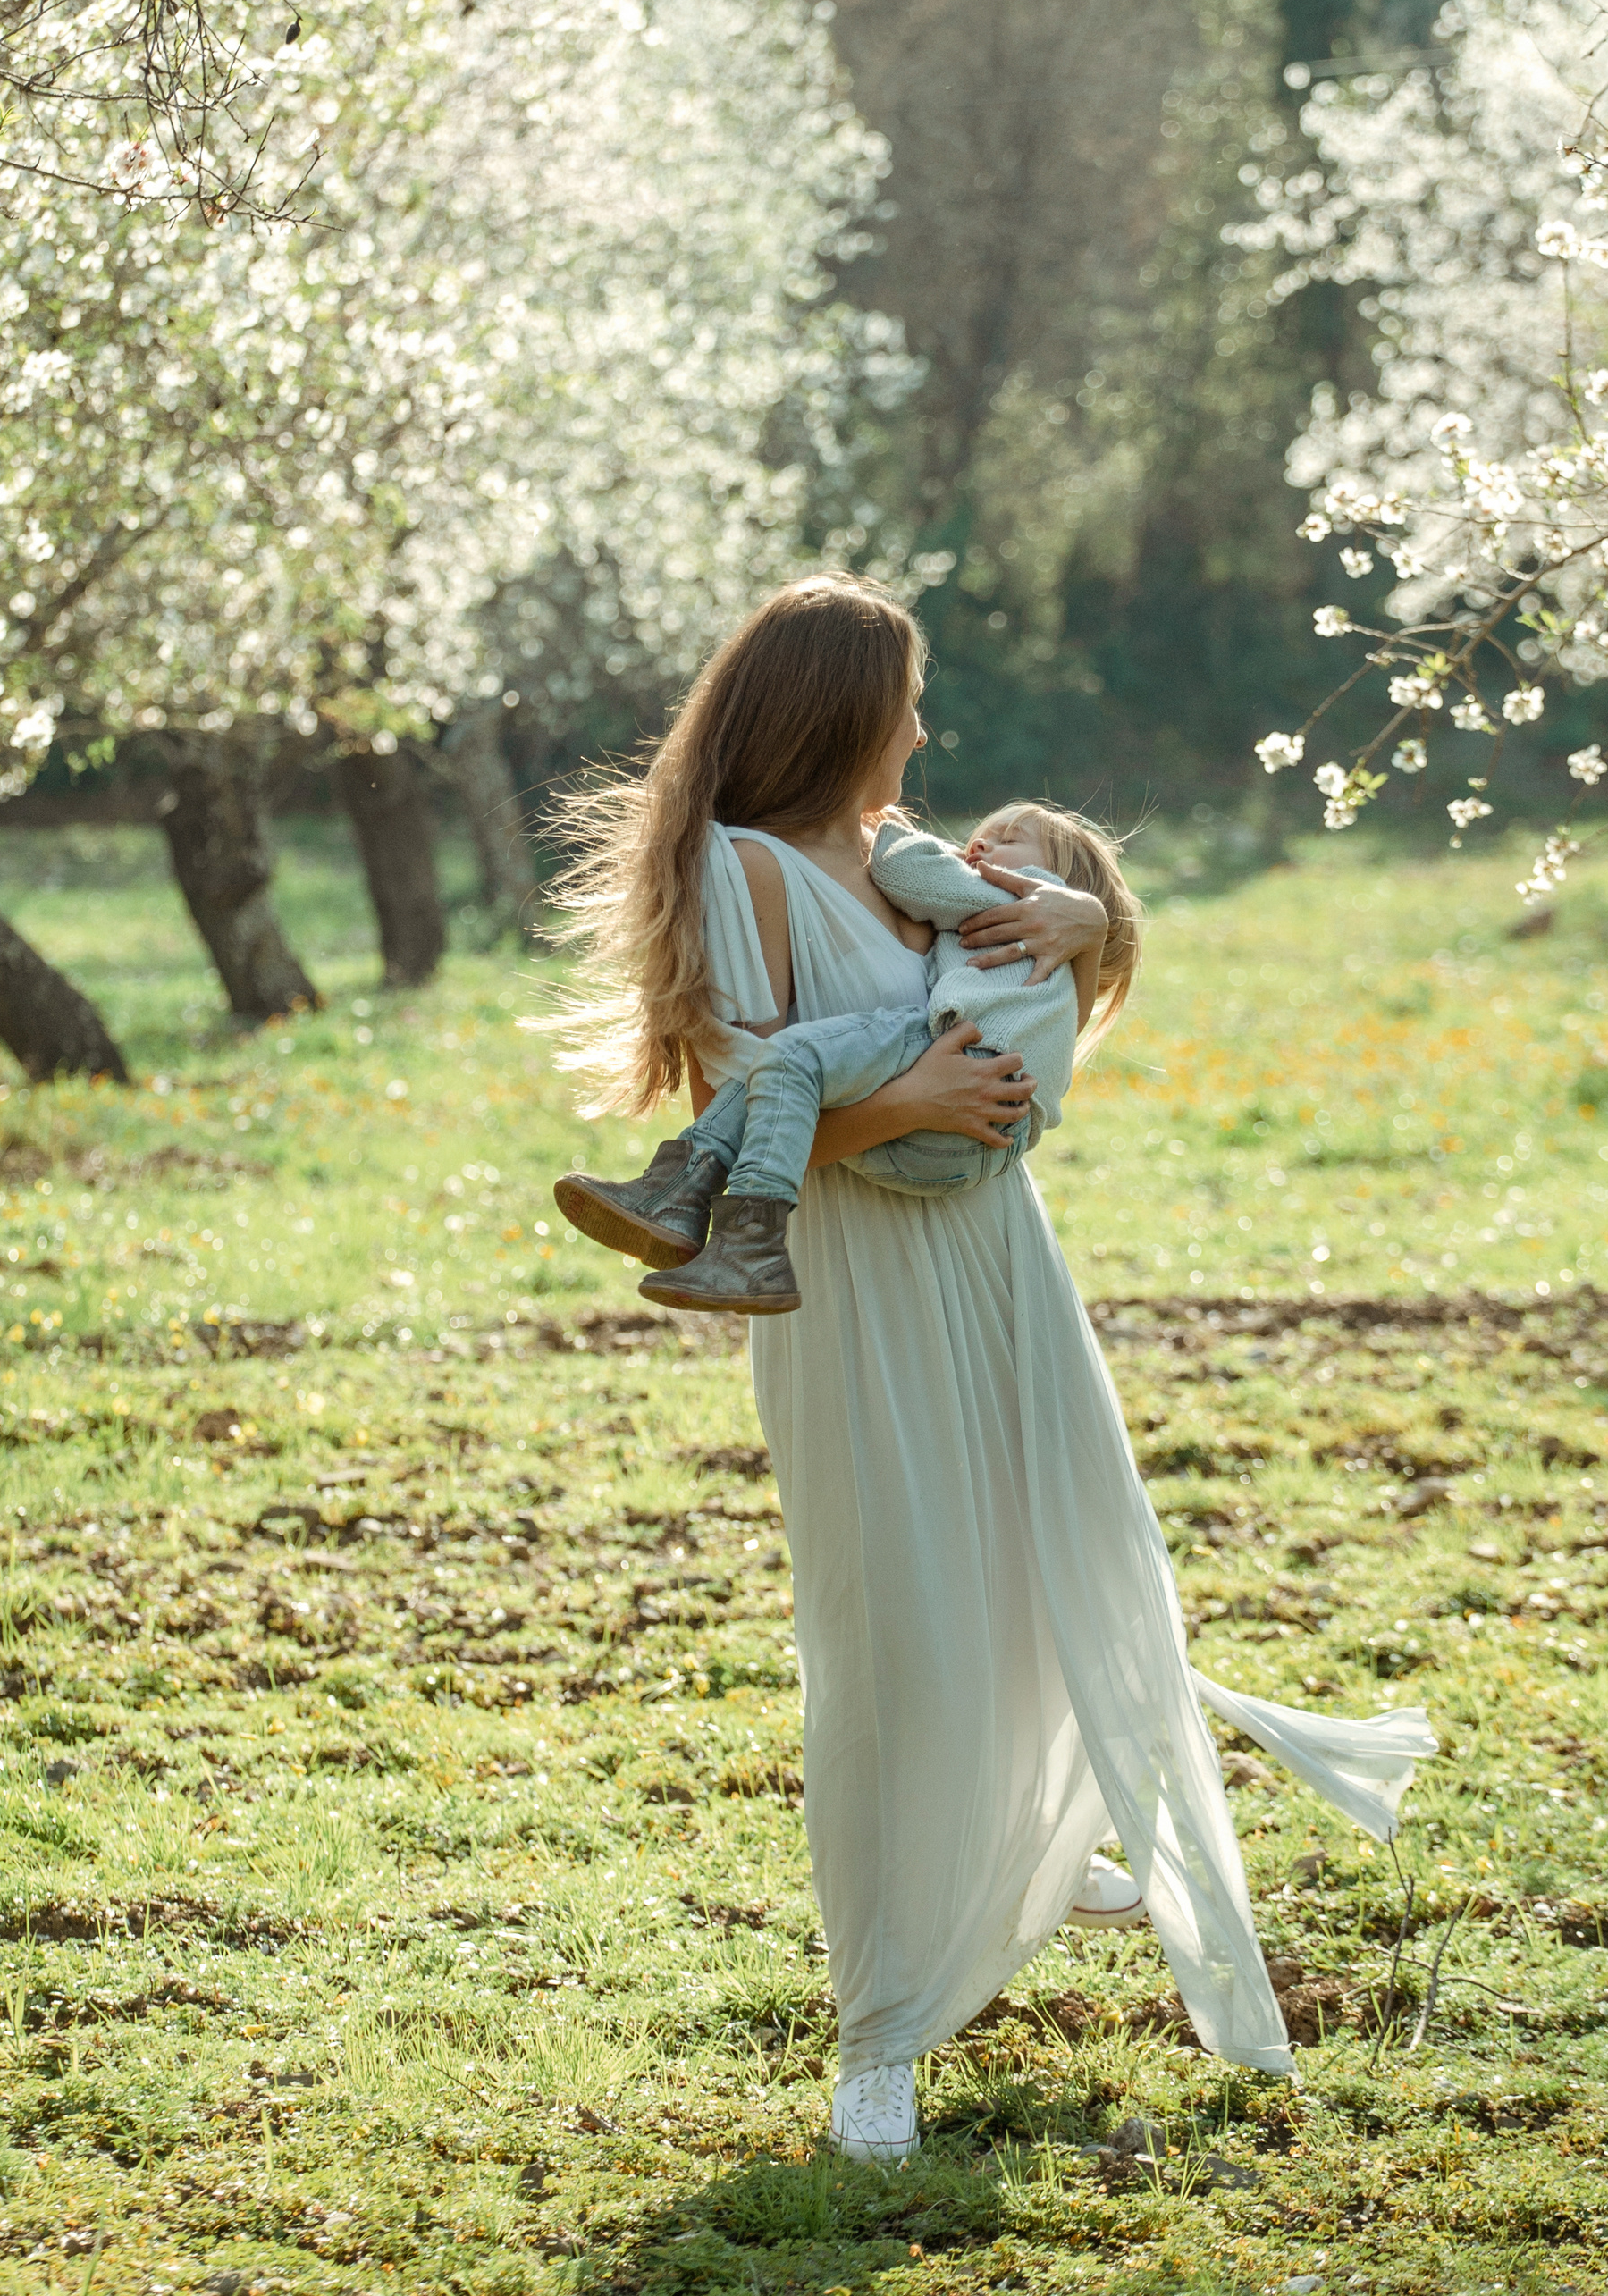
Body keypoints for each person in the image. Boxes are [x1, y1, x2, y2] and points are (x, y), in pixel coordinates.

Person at [547, 575, 1436, 2166]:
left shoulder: (904, 858)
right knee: (894, 1634)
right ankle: (880, 2032)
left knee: (1077, 1564)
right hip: (848, 1276)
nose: (925, 728)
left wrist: (1099, 920)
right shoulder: (744, 867)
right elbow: (749, 1084)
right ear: (837, 710)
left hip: (1000, 1259)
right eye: (908, 699)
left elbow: (1047, 958)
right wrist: (915, 1107)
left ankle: (1054, 1835)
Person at [551, 799, 1141, 1316]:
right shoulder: (1047, 963)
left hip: (957, 1073)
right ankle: (682, 1195)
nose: (980, 845)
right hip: (975, 1155)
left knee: (791, 1061)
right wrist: (1089, 923)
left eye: (1008, 839)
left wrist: (862, 821)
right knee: (798, 1074)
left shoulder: (1020, 900)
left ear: (1053, 878)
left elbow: (904, 871)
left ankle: (721, 1223)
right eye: (983, 835)